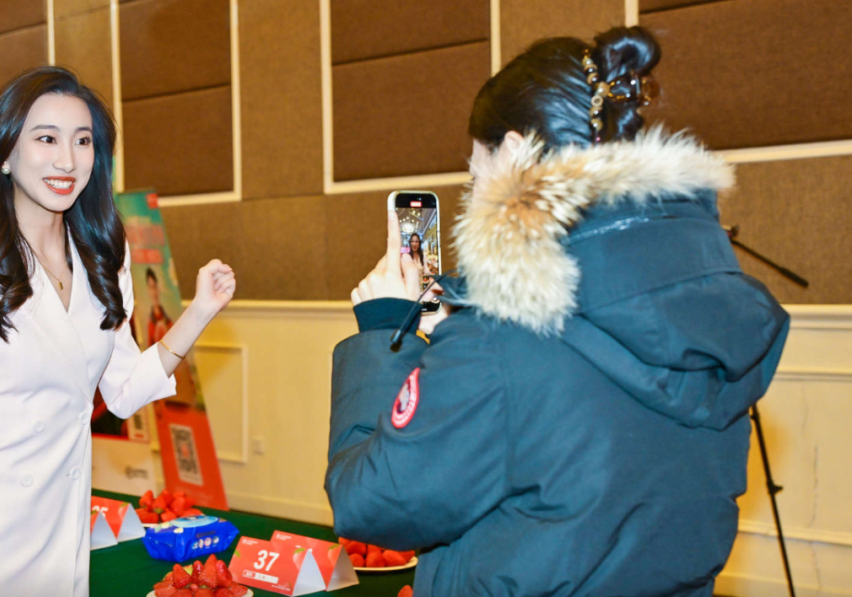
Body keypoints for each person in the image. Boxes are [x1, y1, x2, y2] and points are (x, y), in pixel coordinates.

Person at [326, 26, 788, 596]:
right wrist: (463, 338)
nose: (474, 193)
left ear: (514, 152)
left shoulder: (500, 344)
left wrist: (383, 338)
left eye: (475, 175)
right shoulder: (707, 311)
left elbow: (372, 504)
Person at [0, 67, 235, 596]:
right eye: (46, 138)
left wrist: (200, 311)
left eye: (82, 141)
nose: (67, 160)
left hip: (62, 526)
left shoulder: (105, 259)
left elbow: (125, 391)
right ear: (5, 153)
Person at [145, 267, 172, 344]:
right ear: (148, 290)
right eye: (151, 287)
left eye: (155, 286)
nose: (154, 292)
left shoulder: (168, 320)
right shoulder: (150, 323)